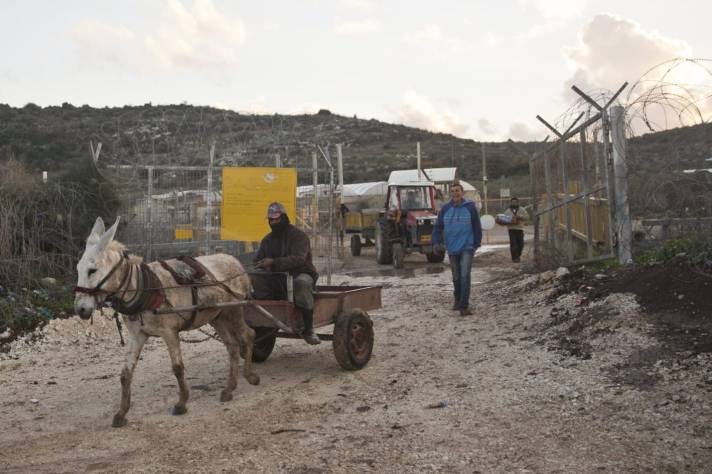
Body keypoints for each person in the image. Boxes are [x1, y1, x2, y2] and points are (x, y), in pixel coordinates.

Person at [254, 202, 321, 344]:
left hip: (300, 273)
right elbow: (257, 260)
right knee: (255, 280)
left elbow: (299, 259)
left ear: (284, 218)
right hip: (277, 278)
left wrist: (273, 262)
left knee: (301, 283)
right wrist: (259, 265)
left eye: (276, 219)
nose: (273, 222)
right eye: (271, 220)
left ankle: (308, 329)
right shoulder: (267, 240)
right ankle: (266, 320)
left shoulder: (299, 236)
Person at [432, 181, 482, 316]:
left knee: (465, 275)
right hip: (452, 247)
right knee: (456, 277)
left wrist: (476, 244)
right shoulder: (445, 209)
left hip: (467, 246)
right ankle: (457, 299)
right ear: (450, 194)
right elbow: (438, 227)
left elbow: (477, 227)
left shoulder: (470, 207)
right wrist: (436, 242)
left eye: (457, 190)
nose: (455, 193)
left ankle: (464, 306)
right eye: (453, 191)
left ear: (462, 193)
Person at [503, 197, 528, 263]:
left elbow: (527, 217)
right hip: (511, 229)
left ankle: (518, 255)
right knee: (513, 244)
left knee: (521, 244)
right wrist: (508, 220)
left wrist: (520, 217)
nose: (514, 203)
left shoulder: (522, 210)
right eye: (512, 202)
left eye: (515, 202)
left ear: (517, 202)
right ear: (511, 203)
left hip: (520, 229)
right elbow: (504, 220)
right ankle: (515, 258)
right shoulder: (507, 211)